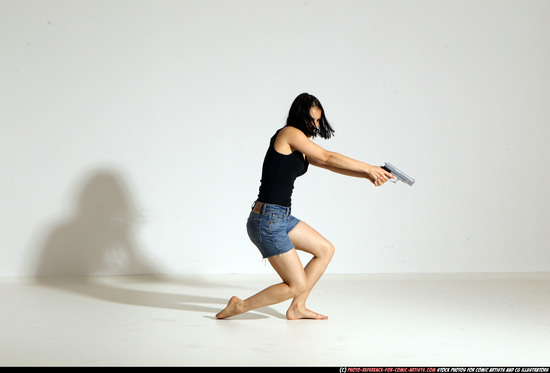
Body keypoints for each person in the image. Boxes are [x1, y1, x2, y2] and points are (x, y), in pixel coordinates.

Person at [216, 93, 394, 320]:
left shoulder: (299, 148)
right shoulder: (288, 134)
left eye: (319, 120)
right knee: (296, 284)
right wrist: (368, 167)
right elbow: (328, 156)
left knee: (325, 250)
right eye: (312, 119)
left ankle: (297, 307)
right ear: (299, 117)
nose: (316, 125)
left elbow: (328, 165)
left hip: (280, 218)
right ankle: (239, 306)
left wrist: (367, 174)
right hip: (267, 220)